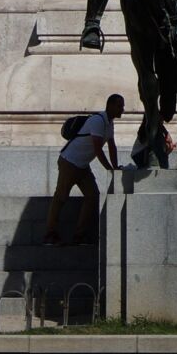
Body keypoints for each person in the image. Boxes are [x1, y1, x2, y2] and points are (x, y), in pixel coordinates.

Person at [46, 94, 124, 245]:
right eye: (120, 106)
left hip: (82, 166)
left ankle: (79, 235)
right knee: (61, 197)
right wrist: (109, 169)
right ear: (111, 106)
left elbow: (111, 146)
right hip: (69, 162)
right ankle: (50, 234)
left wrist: (115, 167)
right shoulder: (97, 121)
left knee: (93, 196)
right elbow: (97, 149)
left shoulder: (109, 123)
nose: (123, 109)